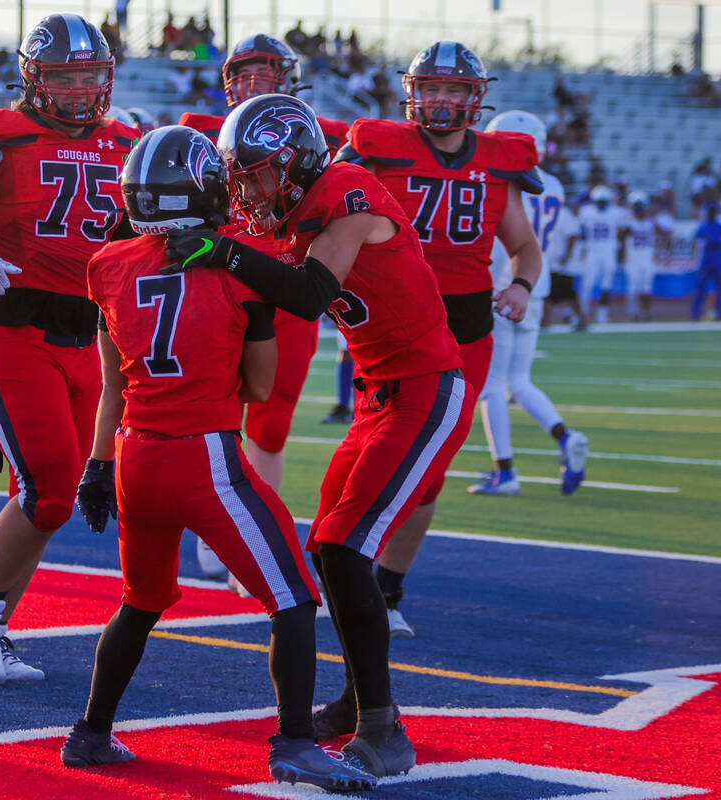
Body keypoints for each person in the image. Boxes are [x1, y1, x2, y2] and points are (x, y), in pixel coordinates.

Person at [160, 94, 474, 778]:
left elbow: (305, 292)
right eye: (240, 179)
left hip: (426, 386)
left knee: (342, 545)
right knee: (329, 550)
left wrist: (220, 252)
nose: (249, 191)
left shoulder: (349, 190)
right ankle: (359, 698)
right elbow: (254, 268)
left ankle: (384, 729)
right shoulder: (294, 214)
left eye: (259, 175)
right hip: (377, 396)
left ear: (297, 161)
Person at [60, 126, 374, 794]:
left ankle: (91, 731)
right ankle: (294, 745)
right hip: (205, 456)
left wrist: (95, 468)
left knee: (140, 602)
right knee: (292, 599)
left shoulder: (107, 266)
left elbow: (113, 383)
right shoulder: (236, 260)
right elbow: (259, 387)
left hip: (132, 455)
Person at [0, 13, 137, 686]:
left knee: (55, 495)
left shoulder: (126, 141)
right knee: (45, 493)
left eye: (90, 75)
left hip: (92, 336)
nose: (78, 90)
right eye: (64, 77)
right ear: (34, 79)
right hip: (12, 325)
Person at [334, 41, 542, 639]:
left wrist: (523, 285)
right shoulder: (377, 149)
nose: (443, 100)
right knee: (370, 446)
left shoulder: (499, 161)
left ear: (476, 99)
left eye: (455, 90)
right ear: (412, 93)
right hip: (390, 321)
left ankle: (388, 591)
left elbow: (523, 245)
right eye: (432, 88)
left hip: (467, 327)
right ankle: (345, 564)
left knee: (430, 466)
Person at [178, 33, 350, 581]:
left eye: (265, 71)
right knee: (211, 411)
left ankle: (254, 538)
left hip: (286, 282)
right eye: (243, 71)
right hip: (221, 285)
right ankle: (214, 525)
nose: (252, 81)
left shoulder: (327, 137)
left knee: (271, 424)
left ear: (290, 77)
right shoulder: (197, 132)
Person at [469, 111, 590, 497]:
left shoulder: (502, 179)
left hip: (503, 288)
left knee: (491, 387)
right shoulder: (553, 184)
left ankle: (505, 472)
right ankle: (565, 435)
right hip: (534, 289)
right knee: (518, 381)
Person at [577, 185, 626, 325]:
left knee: (606, 284)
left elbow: (623, 232)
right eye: (599, 201)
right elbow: (582, 231)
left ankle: (602, 314)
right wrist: (582, 248)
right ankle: (582, 313)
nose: (601, 204)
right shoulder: (586, 212)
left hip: (608, 251)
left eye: (604, 201)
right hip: (592, 251)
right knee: (587, 284)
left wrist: (620, 250)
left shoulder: (616, 213)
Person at [619, 192, 664, 321]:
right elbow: (620, 238)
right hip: (633, 257)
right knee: (632, 287)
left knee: (646, 287)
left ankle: (646, 312)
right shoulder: (628, 223)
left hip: (647, 257)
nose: (639, 209)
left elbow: (662, 233)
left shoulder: (651, 222)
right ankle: (633, 313)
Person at [692, 202, 721, 321]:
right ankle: (696, 313)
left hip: (718, 258)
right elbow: (696, 242)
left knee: (719, 286)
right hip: (706, 258)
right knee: (700, 286)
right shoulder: (702, 227)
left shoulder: (718, 227)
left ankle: (718, 312)